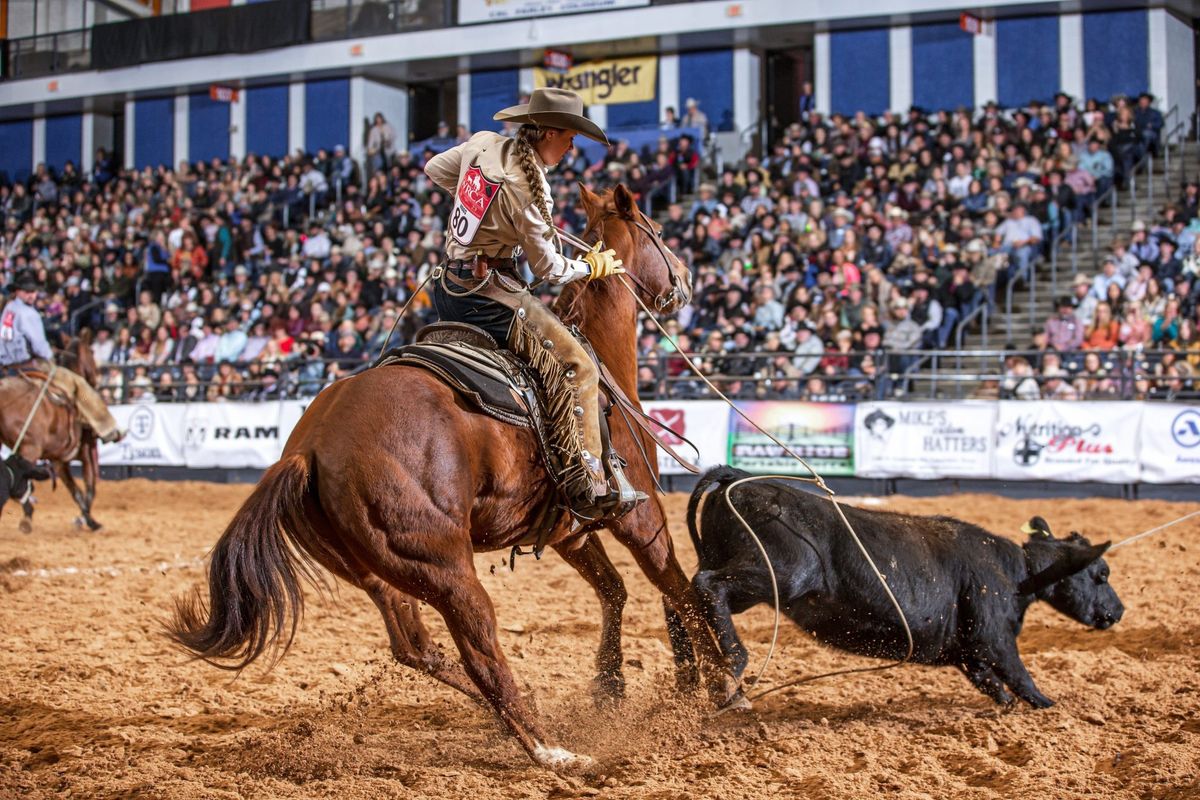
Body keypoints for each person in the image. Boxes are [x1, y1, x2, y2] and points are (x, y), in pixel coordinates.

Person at [423, 87, 632, 519]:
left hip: (449, 287)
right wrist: (592, 266)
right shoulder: (529, 190)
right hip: (490, 297)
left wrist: (483, 212)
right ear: (551, 132)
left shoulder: (482, 143)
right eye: (570, 137)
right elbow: (550, 269)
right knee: (579, 365)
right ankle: (587, 475)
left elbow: (434, 168)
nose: (572, 146)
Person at [0, 272, 122, 443]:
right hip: (29, 365)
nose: (31, 295)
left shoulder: (8, 309)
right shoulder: (29, 313)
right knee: (78, 383)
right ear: (18, 291)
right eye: (27, 291)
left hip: (6, 367)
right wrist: (50, 356)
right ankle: (107, 428)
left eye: (33, 291)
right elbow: (39, 346)